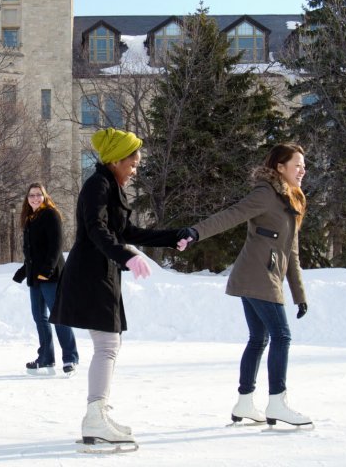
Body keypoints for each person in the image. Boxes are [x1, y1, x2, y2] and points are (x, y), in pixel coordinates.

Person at [51, 128, 189, 447]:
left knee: (109, 345)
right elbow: (96, 230)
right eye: (133, 163)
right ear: (115, 160)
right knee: (108, 346)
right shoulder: (96, 186)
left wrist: (172, 237)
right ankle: (95, 416)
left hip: (103, 273)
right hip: (90, 275)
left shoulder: (111, 187)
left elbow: (127, 230)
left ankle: (98, 413)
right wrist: (125, 256)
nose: (135, 169)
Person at [182, 143, 311, 427]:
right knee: (281, 336)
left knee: (259, 339)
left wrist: (299, 293)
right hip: (258, 275)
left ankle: (244, 403)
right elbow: (231, 215)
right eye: (297, 164)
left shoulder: (290, 200)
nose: (302, 170)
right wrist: (195, 232)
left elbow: (292, 252)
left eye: (303, 165)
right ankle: (277, 402)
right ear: (280, 167)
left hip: (264, 275)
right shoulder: (266, 194)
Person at [12, 183, 79, 376]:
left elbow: (56, 246)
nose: (34, 198)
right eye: (31, 195)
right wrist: (24, 271)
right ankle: (46, 358)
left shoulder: (50, 214)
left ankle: (70, 359)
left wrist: (47, 270)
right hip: (35, 277)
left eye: (38, 195)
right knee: (40, 319)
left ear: (44, 196)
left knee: (58, 317)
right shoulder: (30, 219)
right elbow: (33, 253)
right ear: (27, 198)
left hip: (52, 276)